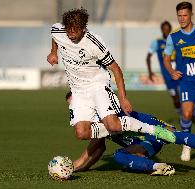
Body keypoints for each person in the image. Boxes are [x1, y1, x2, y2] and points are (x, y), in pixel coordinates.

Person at [47, 8, 175, 143]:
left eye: (75, 30)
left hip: (97, 86)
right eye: (68, 30)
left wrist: (123, 98)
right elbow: (55, 38)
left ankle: (154, 130)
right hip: (78, 91)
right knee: (81, 133)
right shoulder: (58, 30)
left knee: (113, 125)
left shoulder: (94, 43)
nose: (70, 34)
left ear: (83, 28)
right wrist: (53, 53)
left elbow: (116, 69)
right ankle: (128, 128)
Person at [65, 92, 195, 176]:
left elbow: (97, 143)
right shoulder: (93, 121)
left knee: (173, 135)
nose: (74, 109)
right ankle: (158, 167)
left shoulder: (104, 111)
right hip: (142, 144)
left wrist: (81, 162)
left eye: (74, 104)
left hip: (150, 127)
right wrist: (83, 166)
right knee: (119, 155)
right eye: (70, 106)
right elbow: (99, 146)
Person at [163, 2, 195, 161]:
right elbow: (166, 59)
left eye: (185, 15)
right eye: (179, 15)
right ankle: (186, 145)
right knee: (186, 114)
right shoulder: (173, 37)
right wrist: (172, 72)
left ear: (191, 15)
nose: (182, 18)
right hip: (187, 82)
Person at [146, 21, 195, 128]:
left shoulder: (176, 38)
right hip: (168, 76)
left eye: (168, 28)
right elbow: (148, 56)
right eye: (164, 28)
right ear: (161, 29)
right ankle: (183, 115)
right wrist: (150, 72)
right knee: (176, 99)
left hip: (180, 73)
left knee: (189, 96)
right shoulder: (157, 42)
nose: (166, 30)